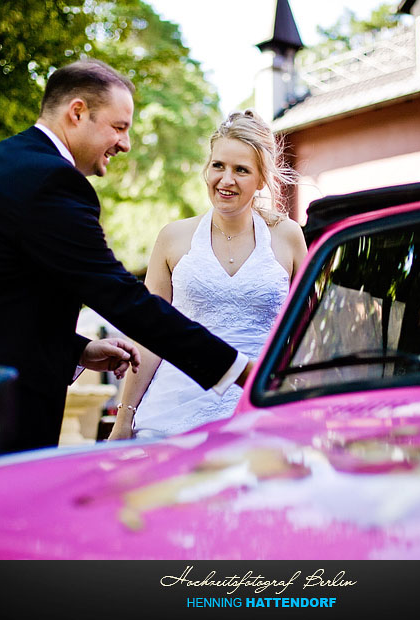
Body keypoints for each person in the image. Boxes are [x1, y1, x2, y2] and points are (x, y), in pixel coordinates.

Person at [0, 59, 252, 483]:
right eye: (119, 126)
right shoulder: (48, 182)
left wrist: (76, 349)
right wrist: (238, 369)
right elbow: (121, 295)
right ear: (77, 113)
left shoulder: (10, 163)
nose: (125, 143)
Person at [108, 110, 307, 440]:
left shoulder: (287, 236)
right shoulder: (173, 237)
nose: (226, 180)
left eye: (241, 170)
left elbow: (305, 329)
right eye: (218, 166)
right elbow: (151, 332)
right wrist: (123, 418)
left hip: (256, 406)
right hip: (173, 412)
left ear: (260, 180)